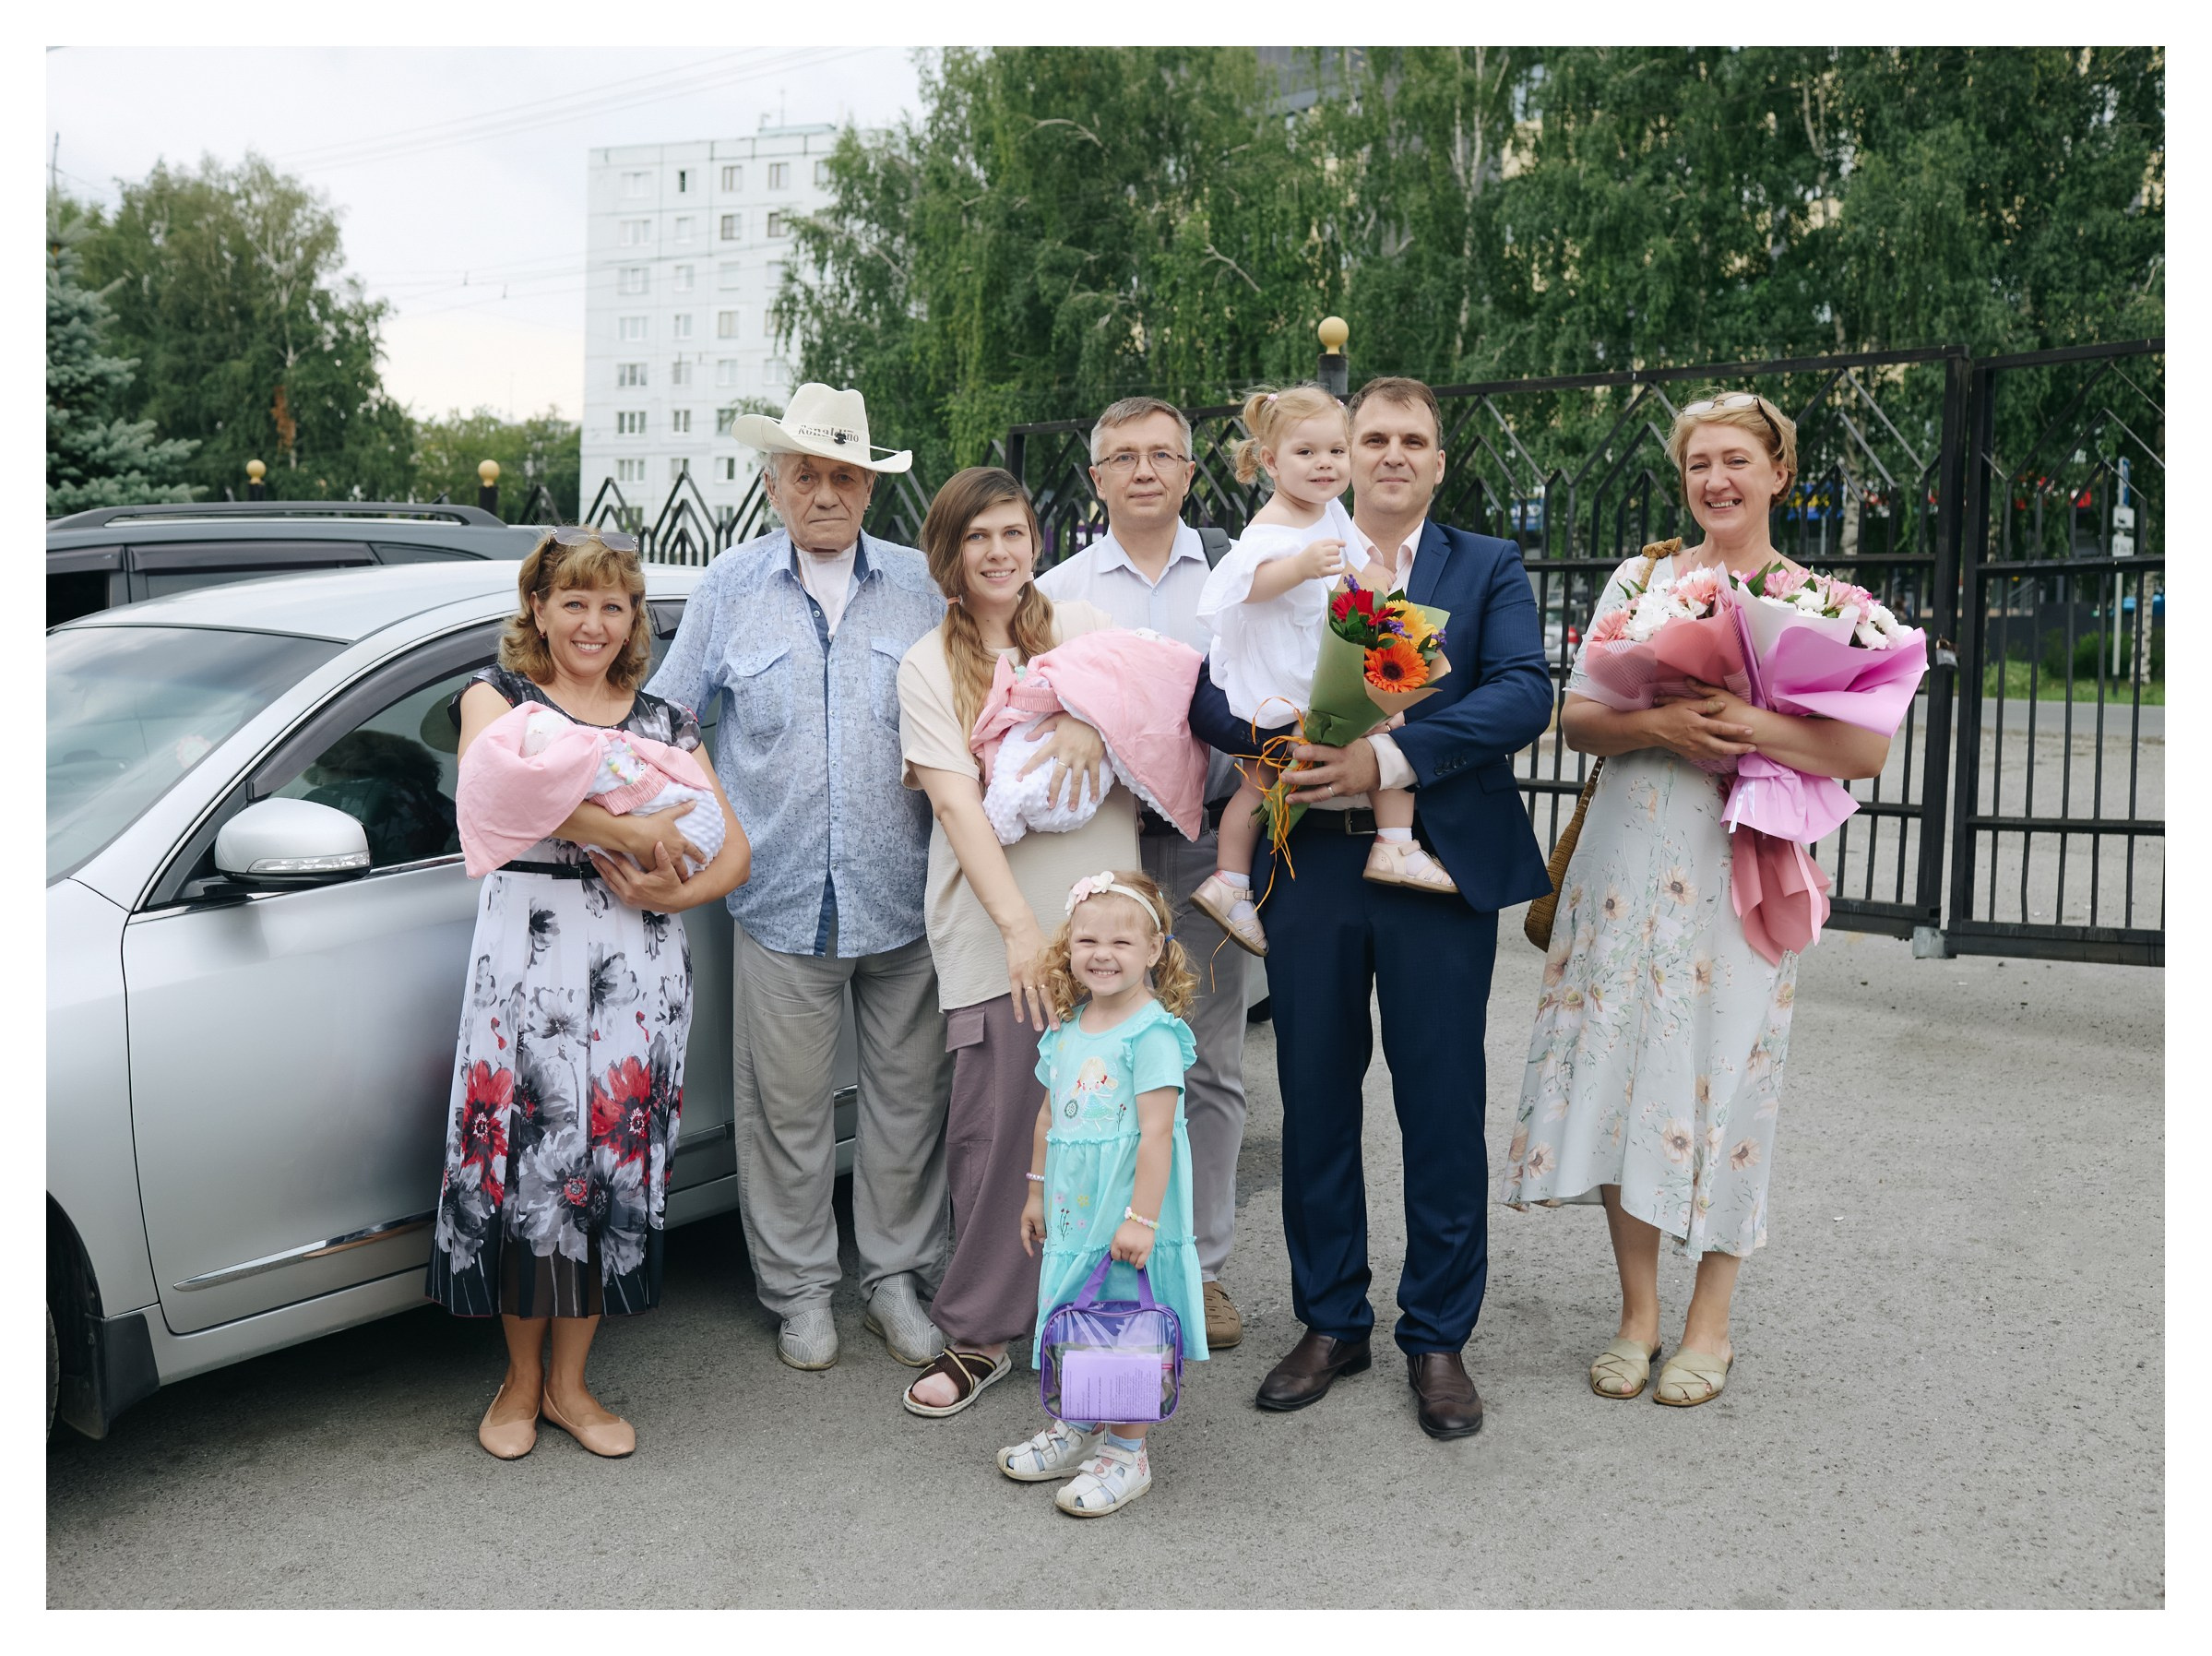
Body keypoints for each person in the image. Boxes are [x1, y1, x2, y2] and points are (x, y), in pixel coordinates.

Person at [1504, 389, 1892, 1409]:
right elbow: (1580, 717)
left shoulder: (1820, 604)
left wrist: (1745, 725)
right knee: (1624, 1072)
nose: (1713, 480)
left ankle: (1708, 1322)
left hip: (1738, 872)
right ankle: (1635, 1316)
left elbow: (1861, 747)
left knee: (1728, 1078)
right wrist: (1657, 730)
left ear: (1777, 473)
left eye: (1733, 460)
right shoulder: (1641, 579)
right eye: (1695, 464)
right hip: (1626, 865)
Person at [1186, 375, 1554, 1441]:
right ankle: (1329, 1318)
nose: (1392, 453)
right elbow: (1210, 688)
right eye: (1373, 437)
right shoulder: (1284, 544)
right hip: (1309, 861)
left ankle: (1436, 1336)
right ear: (1344, 450)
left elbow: (1523, 690)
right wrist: (1283, 742)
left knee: (1439, 1100)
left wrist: (1383, 753)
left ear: (1439, 460)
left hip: (1431, 857)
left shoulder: (1483, 564)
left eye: (1413, 440)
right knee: (1313, 1092)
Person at [648, 383, 955, 1375]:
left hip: (906, 890)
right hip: (778, 898)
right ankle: (800, 1292)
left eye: (844, 476)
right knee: (783, 1111)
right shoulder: (729, 588)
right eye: (806, 474)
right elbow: (671, 723)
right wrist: (700, 830)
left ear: (870, 488)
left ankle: (896, 1279)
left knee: (908, 1103)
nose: (825, 492)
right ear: (775, 485)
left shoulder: (922, 586)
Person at [430, 526, 751, 1459]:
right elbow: (495, 801)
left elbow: (730, 853)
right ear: (537, 607)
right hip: (526, 960)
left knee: (605, 1161)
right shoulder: (496, 698)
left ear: (632, 619)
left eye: (613, 605)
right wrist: (635, 825)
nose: (594, 622)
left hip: (632, 964)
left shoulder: (664, 721)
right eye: (574, 600)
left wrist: (667, 884)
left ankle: (571, 1385)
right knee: (529, 1158)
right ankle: (519, 1384)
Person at [896, 467, 1140, 1418]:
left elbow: (1155, 709)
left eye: (1013, 531)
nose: (999, 551)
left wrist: (1086, 712)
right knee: (1000, 1140)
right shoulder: (926, 665)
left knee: (1111, 1134)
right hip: (997, 932)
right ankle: (979, 1334)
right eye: (978, 537)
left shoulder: (1081, 627)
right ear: (949, 557)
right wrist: (1019, 932)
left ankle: (1101, 1338)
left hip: (1106, 926)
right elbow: (957, 806)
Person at [1034, 395, 1254, 1352]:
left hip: (1211, 842)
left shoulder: (1242, 576)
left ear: (1189, 470)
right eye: (1122, 457)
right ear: (1097, 478)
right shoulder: (1060, 589)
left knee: (1205, 1058)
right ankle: (1084, 1255)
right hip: (1104, 846)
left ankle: (1199, 1270)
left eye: (1163, 454)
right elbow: (1028, 705)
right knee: (1087, 1060)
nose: (1144, 471)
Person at [1193, 385, 1457, 959]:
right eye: (1306, 454)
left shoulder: (1327, 509)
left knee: (1374, 730)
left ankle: (1236, 881)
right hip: (1280, 686)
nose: (1325, 466)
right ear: (1270, 461)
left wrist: (1371, 575)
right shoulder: (1270, 527)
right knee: (1271, 777)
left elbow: (1351, 572)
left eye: (1336, 453)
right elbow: (1238, 590)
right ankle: (1386, 847)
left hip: (1312, 675)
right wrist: (1297, 567)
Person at [999, 868, 1207, 1518]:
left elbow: (1157, 1135)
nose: (1103, 953)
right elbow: (1047, 1118)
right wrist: (1035, 1194)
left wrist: (1142, 1218)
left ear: (1154, 951)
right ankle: (1077, 1422)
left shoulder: (1152, 1034)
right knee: (1076, 1311)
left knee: (1125, 1327)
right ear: (1069, 950)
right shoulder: (1067, 1028)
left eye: (1122, 942)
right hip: (1073, 1215)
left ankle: (1126, 1451)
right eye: (1088, 939)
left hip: (1126, 1210)